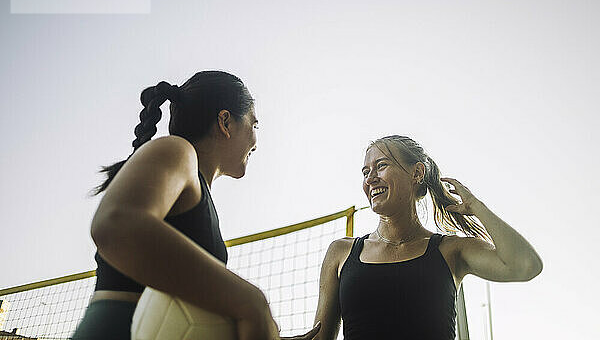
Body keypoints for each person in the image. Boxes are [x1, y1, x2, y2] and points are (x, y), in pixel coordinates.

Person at [72, 71, 320, 340]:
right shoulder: (177, 150)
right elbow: (116, 225)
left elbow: (191, 314)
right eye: (254, 124)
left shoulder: (196, 187)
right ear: (225, 122)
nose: (256, 140)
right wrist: (252, 303)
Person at [312, 135, 543, 340]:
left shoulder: (451, 250)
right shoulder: (341, 252)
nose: (370, 178)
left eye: (381, 166)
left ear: (417, 173)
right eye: (365, 172)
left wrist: (477, 207)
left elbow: (526, 265)